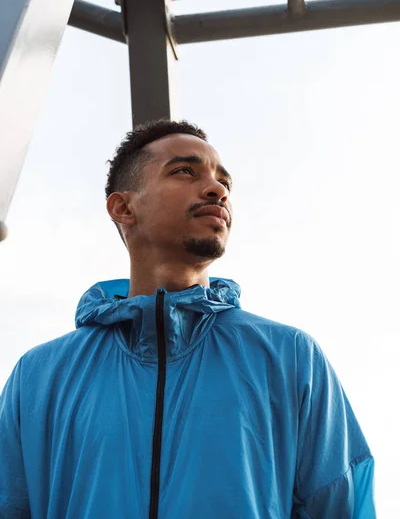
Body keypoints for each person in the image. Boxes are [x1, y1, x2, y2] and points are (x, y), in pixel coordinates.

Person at [0, 119, 376, 518]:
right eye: (184, 171)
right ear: (123, 207)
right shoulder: (39, 376)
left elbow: (342, 507)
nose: (218, 190)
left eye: (224, 182)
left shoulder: (291, 358)